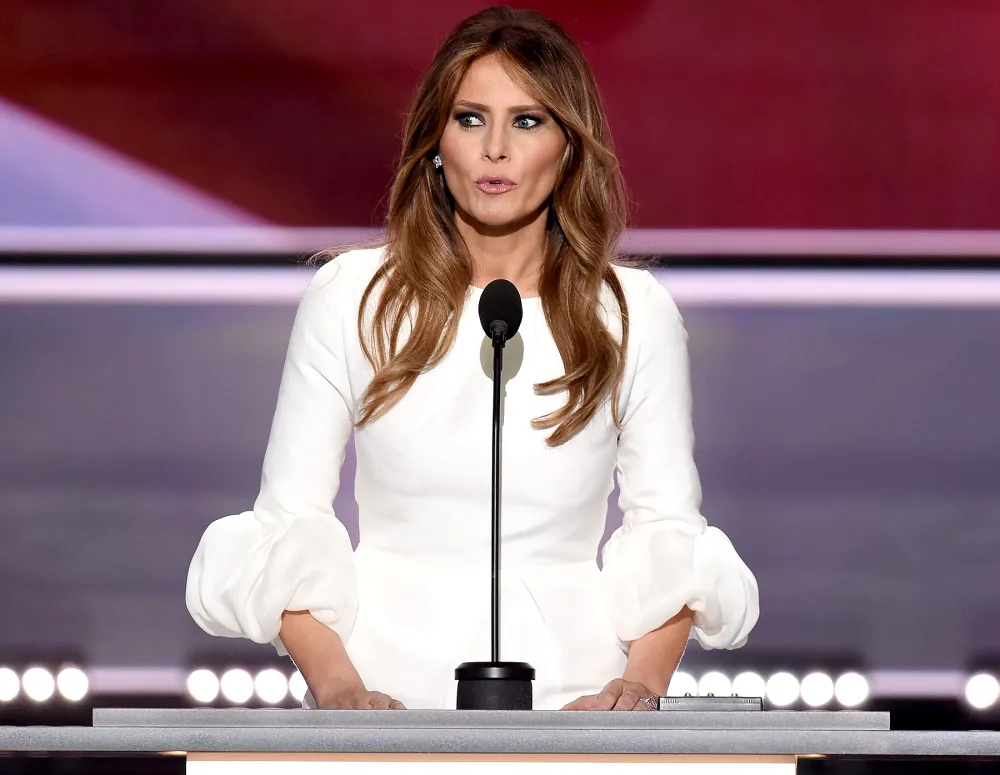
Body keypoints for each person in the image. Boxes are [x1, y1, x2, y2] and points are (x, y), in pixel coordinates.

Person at [185, 6, 758, 712]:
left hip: (574, 709)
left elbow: (667, 529)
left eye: (526, 121)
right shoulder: (352, 298)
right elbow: (286, 522)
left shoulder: (631, 314)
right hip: (380, 700)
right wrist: (341, 693)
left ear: (569, 147)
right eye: (469, 119)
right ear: (435, 140)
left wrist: (637, 692)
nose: (495, 150)